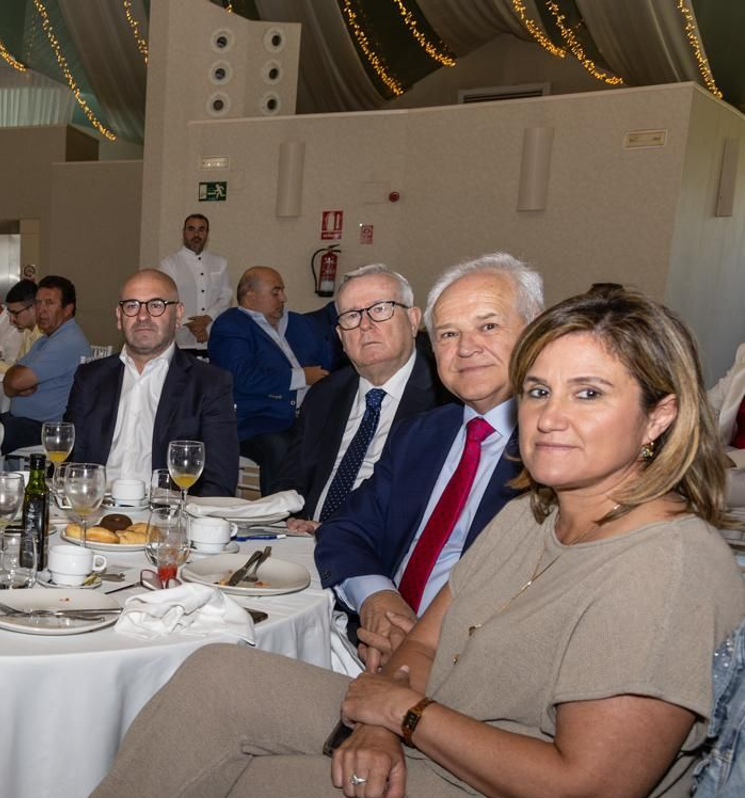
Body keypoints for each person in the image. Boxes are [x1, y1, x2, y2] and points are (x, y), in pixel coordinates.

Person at [0, 283, 743, 798]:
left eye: (589, 392)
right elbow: (423, 647)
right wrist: (377, 718)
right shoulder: (542, 511)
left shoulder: (662, 566)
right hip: (458, 759)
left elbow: (587, 791)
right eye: (538, 389)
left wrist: (408, 720)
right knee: (220, 674)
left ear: (660, 415)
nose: (550, 415)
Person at [317, 252, 543, 667]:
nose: (467, 348)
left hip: (470, 669)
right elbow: (344, 529)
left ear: (536, 333)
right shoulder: (422, 436)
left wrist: (419, 651)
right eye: (448, 335)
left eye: (488, 326)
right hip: (370, 643)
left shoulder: (556, 453)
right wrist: (378, 599)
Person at [275, 264, 447, 529]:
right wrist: (291, 520)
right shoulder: (324, 395)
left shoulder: (445, 401)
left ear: (413, 320)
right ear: (341, 337)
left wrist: (339, 533)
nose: (366, 325)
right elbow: (290, 478)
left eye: (380, 309)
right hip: (305, 542)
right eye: (352, 316)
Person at [63, 269, 238, 495]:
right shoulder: (89, 378)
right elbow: (67, 463)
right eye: (132, 306)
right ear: (119, 316)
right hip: (95, 510)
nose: (142, 316)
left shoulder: (209, 384)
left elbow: (220, 482)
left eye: (156, 305)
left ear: (178, 315)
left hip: (167, 515)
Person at [207, 266, 334, 494]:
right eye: (275, 292)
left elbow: (327, 359)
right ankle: (278, 517)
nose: (283, 298)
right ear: (250, 295)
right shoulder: (231, 325)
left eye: (282, 291)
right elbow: (242, 377)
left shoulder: (298, 323)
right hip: (256, 419)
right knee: (281, 447)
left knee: (337, 440)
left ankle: (316, 513)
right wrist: (303, 377)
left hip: (307, 415)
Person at [0, 275, 89, 458]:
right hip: (25, 422)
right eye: (38, 303)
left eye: (49, 303)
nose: (41, 310)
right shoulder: (46, 340)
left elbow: (15, 380)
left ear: (68, 309)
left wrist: (14, 383)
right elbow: (11, 380)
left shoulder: (67, 341)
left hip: (46, 429)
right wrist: (13, 383)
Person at [158, 214, 231, 358]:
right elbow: (165, 300)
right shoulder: (169, 264)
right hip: (180, 339)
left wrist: (207, 318)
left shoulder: (220, 262)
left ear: (207, 233)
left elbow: (226, 296)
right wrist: (191, 323)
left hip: (213, 338)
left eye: (201, 229)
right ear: (184, 232)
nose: (196, 234)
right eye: (191, 229)